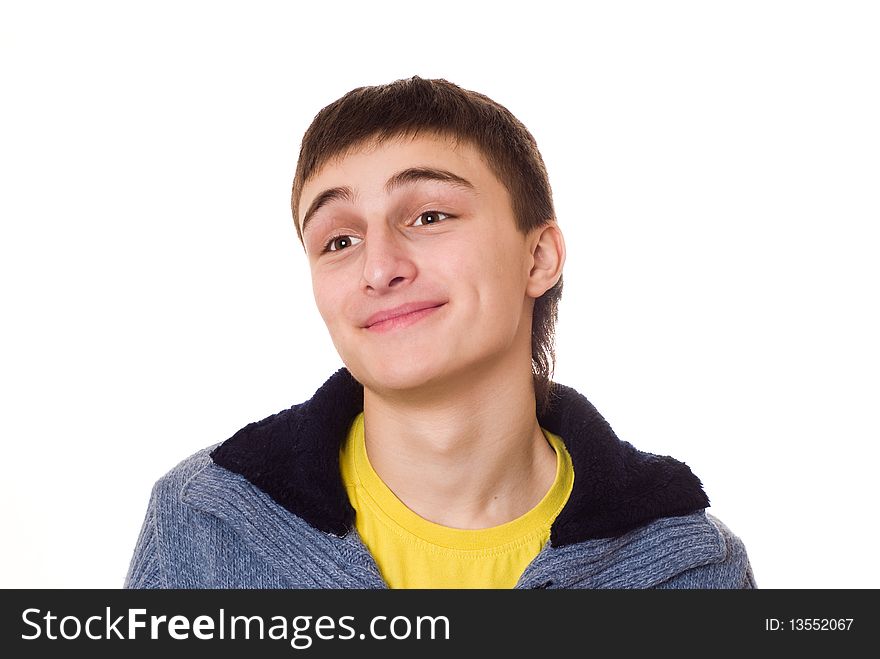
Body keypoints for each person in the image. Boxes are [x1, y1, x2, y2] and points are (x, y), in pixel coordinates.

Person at [124, 76, 756, 589]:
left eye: (428, 215)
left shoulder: (694, 570)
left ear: (538, 258)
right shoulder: (204, 523)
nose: (378, 268)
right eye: (339, 240)